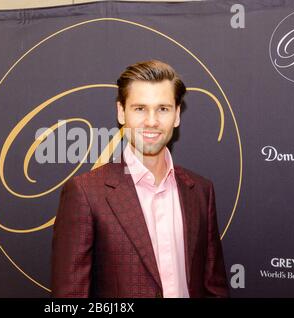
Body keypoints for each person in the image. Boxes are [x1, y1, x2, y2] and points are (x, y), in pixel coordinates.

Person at [51, 60, 229, 298]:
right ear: (121, 112)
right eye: (140, 109)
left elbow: (213, 288)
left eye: (163, 109)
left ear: (177, 115)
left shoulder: (200, 191)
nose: (152, 121)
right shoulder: (86, 193)